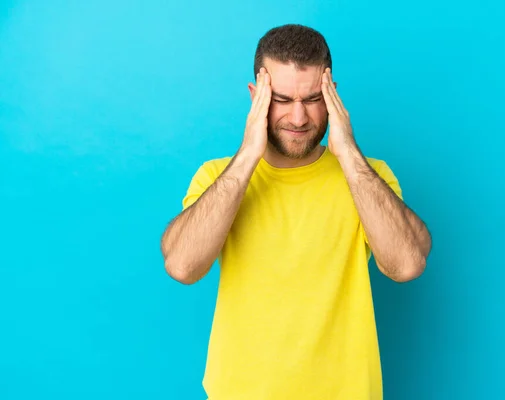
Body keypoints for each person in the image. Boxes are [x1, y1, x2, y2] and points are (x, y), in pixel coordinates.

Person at [160, 24, 432, 400]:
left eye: (312, 99)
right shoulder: (216, 177)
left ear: (332, 95)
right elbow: (182, 266)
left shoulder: (369, 178)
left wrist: (349, 154)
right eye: (282, 100)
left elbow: (407, 265)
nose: (299, 118)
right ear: (256, 97)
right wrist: (247, 157)